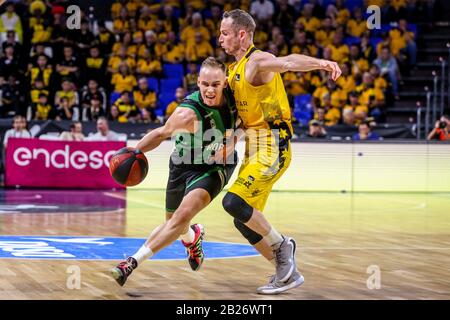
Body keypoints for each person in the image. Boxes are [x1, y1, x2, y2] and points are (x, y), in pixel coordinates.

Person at [218, 9, 341, 294]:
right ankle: (287, 272)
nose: (220, 39)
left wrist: (322, 62)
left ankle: (284, 246)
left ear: (242, 34)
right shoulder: (234, 70)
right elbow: (246, 115)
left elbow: (287, 62)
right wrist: (233, 139)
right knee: (244, 221)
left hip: (274, 143)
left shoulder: (257, 60)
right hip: (255, 145)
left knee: (233, 202)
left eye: (224, 33)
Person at [110, 57, 239, 286]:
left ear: (225, 83)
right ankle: (193, 238)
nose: (210, 89)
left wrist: (232, 142)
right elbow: (161, 133)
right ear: (197, 82)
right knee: (175, 224)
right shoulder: (186, 114)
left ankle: (131, 262)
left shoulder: (236, 98)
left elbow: (247, 123)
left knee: (180, 218)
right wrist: (134, 152)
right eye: (205, 84)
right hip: (182, 164)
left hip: (216, 165)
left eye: (216, 84)